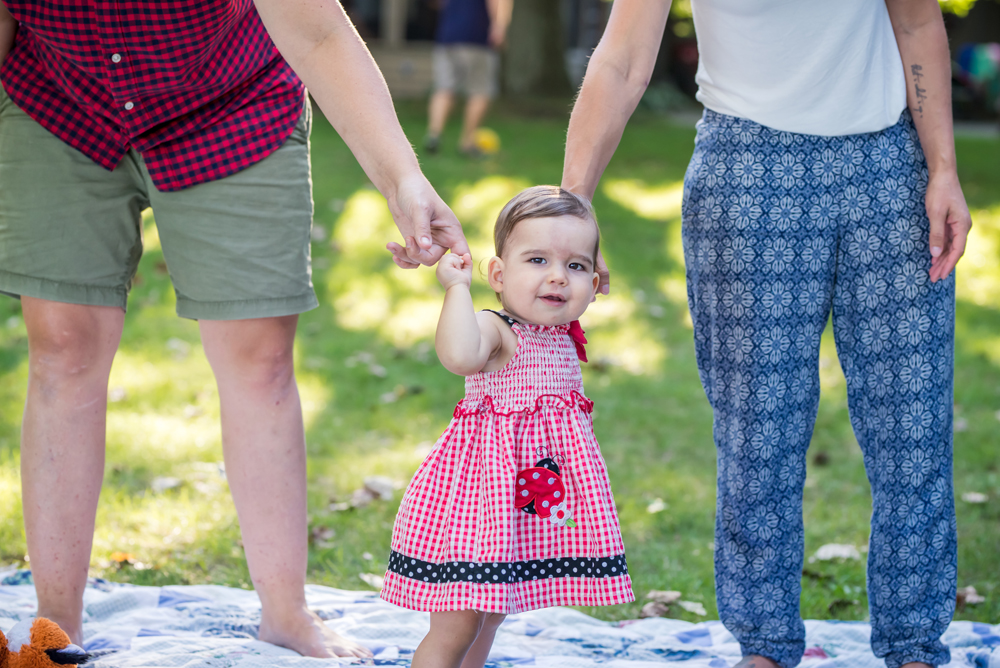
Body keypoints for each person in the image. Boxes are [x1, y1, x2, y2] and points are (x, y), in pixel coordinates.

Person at [0, 0, 467, 658]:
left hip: (232, 107)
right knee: (62, 349)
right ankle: (56, 621)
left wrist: (403, 180)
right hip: (59, 104)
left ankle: (285, 613)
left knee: (259, 359)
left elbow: (320, 31)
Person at [559, 2, 973, 668]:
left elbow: (918, 22)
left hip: (890, 169)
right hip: (748, 172)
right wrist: (571, 206)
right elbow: (623, 58)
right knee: (758, 434)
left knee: (912, 429)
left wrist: (943, 167)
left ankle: (915, 645)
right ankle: (765, 648)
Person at [380, 186, 634, 668]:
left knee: (490, 612)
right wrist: (457, 289)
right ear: (498, 274)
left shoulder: (559, 337)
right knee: (458, 619)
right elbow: (458, 356)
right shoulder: (499, 330)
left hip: (520, 510)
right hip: (477, 508)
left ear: (596, 281)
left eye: (576, 266)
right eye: (537, 260)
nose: (558, 276)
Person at [424, 0, 511, 156]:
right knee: (480, 91)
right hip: (477, 37)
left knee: (444, 88)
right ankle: (467, 142)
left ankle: (433, 135)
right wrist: (499, 28)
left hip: (447, 36)